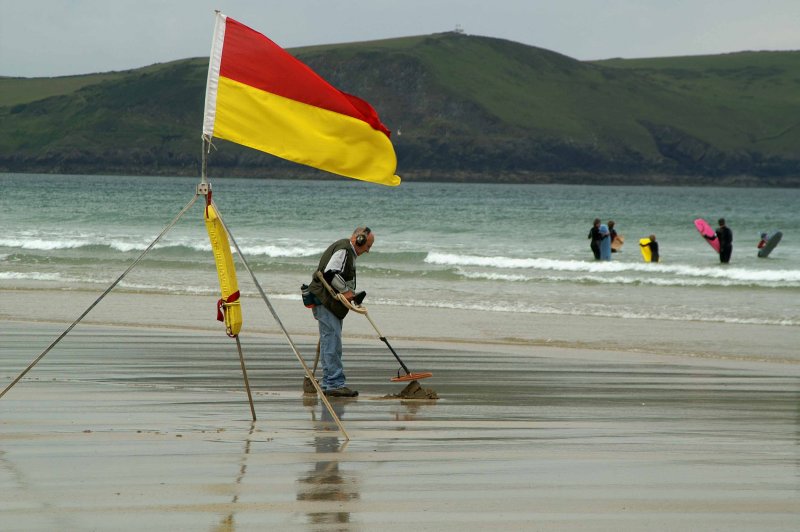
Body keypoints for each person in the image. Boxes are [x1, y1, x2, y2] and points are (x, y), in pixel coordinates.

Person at [306, 226, 374, 397]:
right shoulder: (344, 250)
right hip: (325, 301)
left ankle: (330, 382)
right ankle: (334, 383)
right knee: (332, 342)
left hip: (326, 301)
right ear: (359, 240)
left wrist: (349, 295)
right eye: (368, 246)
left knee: (330, 341)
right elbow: (329, 273)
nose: (368, 250)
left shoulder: (346, 251)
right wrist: (347, 292)